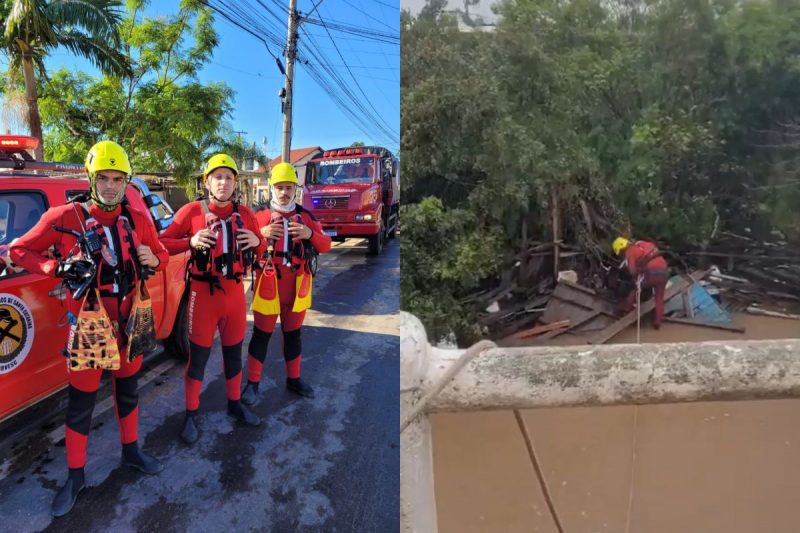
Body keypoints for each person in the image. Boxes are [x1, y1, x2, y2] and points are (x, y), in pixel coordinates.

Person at [10, 140, 168, 517]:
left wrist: (155, 257)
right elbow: (17, 251)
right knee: (81, 405)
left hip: (129, 323)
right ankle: (76, 476)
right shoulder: (65, 217)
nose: (111, 186)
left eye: (118, 179)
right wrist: (55, 268)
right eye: (104, 178)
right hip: (88, 327)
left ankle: (131, 452)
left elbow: (159, 253)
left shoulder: (138, 218)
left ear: (126, 180)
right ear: (91, 178)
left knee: (128, 393)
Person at [160, 154, 265, 445]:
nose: (223, 182)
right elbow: (163, 244)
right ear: (207, 182)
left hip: (234, 296)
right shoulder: (191, 211)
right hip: (202, 296)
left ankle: (234, 404)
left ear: (235, 183)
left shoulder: (245, 214)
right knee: (198, 360)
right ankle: (191, 414)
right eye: (217, 177)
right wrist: (189, 242)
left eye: (228, 177)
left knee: (234, 355)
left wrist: (258, 242)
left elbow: (261, 248)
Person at [241, 162, 331, 405]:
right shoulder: (256, 216)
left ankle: (294, 379)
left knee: (293, 335)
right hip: (268, 285)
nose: (284, 192)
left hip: (296, 287)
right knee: (261, 336)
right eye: (279, 187)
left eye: (288, 187)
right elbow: (241, 246)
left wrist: (309, 234)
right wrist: (261, 233)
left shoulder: (306, 217)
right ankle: (252, 383)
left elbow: (326, 245)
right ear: (271, 188)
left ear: (295, 188)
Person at [612, 236, 670, 329]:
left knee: (635, 289)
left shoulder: (630, 251)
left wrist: (636, 276)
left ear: (622, 248)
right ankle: (658, 321)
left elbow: (632, 271)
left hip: (651, 272)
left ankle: (626, 310)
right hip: (664, 272)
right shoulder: (646, 244)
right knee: (659, 298)